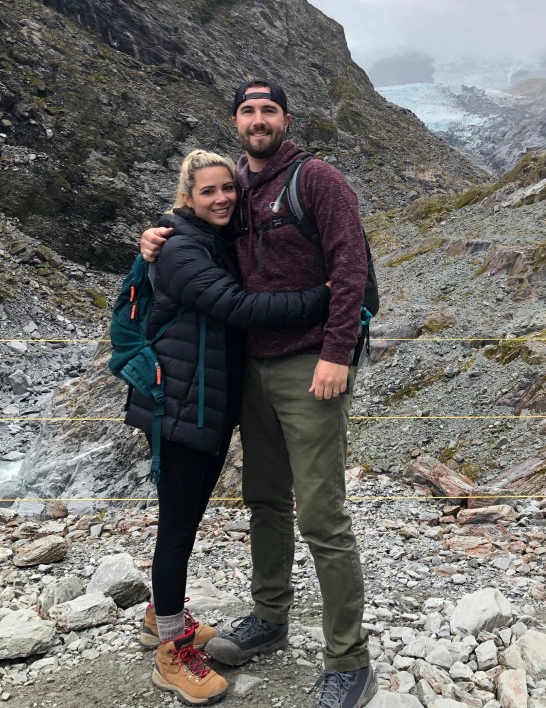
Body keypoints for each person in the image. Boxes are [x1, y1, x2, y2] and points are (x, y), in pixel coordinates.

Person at [141, 80, 376, 708]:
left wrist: (336, 352)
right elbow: (197, 234)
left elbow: (351, 267)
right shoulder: (236, 188)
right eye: (247, 111)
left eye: (268, 110)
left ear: (286, 120)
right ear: (236, 123)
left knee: (322, 515)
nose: (258, 119)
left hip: (309, 366)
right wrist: (154, 238)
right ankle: (270, 617)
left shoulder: (317, 179)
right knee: (265, 500)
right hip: (252, 369)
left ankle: (349, 660)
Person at [129, 149, 331, 707]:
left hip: (205, 404)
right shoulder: (180, 248)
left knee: (185, 519)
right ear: (186, 197)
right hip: (181, 406)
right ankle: (171, 654)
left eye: (227, 189)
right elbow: (238, 307)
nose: (221, 199)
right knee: (177, 527)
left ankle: (161, 616)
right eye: (207, 191)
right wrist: (325, 297)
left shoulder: (205, 238)